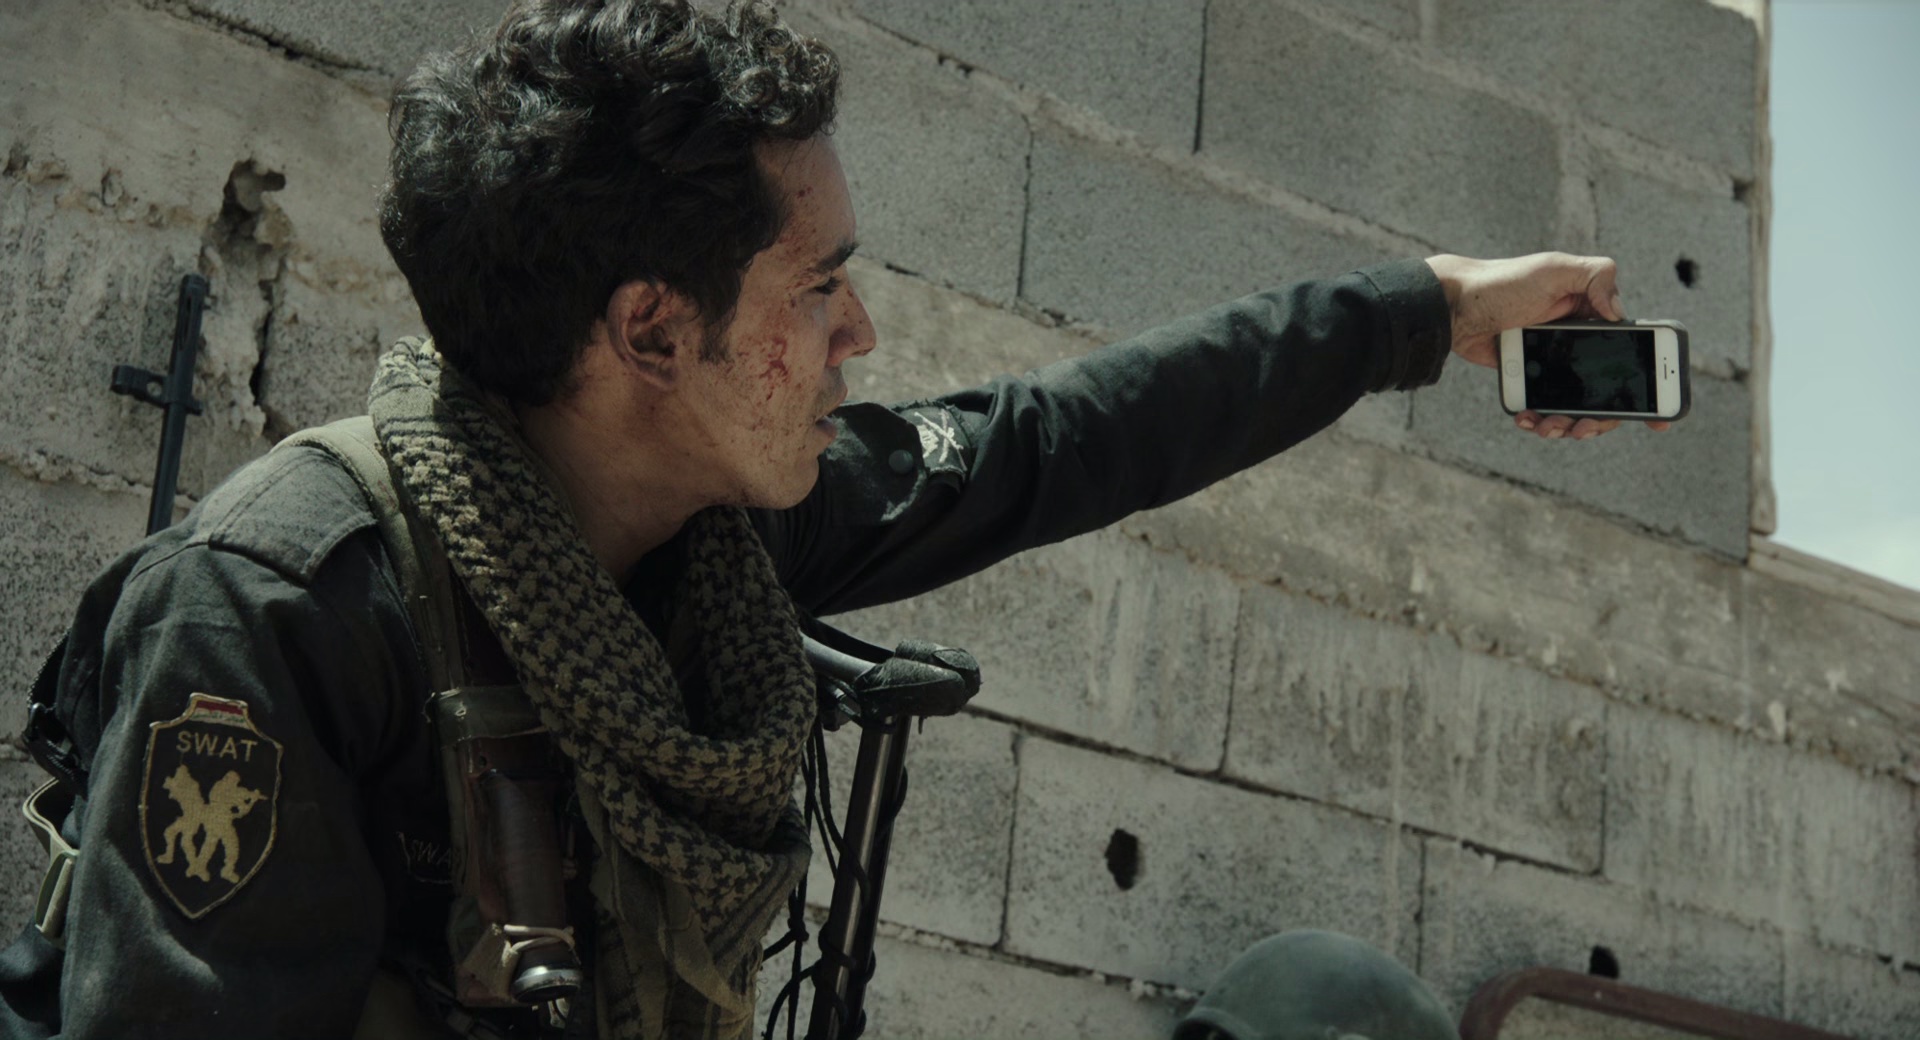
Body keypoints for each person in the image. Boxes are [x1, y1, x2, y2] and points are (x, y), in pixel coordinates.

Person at [0, 1, 1657, 1037]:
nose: (861, 331)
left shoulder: (716, 537)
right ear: (653, 333)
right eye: (820, 284)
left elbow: (1071, 438)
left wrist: (1429, 309)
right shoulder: (281, 612)